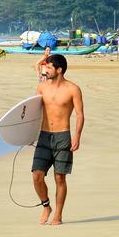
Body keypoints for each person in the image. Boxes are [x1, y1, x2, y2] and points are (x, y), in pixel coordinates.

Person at [31, 53, 84, 227]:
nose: (45, 70)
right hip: (44, 136)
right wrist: (29, 135)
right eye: (45, 67)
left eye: (49, 67)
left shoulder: (73, 89)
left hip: (63, 136)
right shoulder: (42, 87)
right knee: (36, 175)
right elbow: (32, 113)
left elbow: (80, 114)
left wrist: (77, 136)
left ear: (59, 70)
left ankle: (58, 215)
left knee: (60, 178)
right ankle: (46, 205)